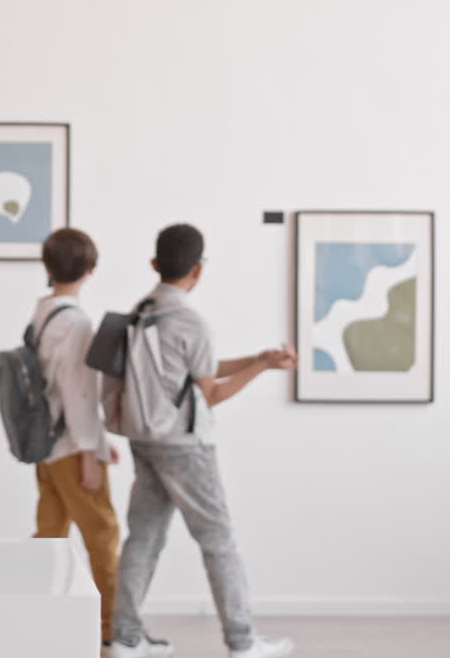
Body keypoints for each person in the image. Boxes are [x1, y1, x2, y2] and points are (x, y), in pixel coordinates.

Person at [108, 224, 296, 658]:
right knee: (218, 540)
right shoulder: (191, 322)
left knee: (143, 538)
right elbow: (211, 392)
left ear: (155, 264)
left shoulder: (139, 313)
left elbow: (195, 370)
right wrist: (263, 369)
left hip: (144, 440)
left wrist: (258, 358)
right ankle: (242, 643)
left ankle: (125, 638)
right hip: (185, 447)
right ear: (199, 269)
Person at [30, 227, 122, 650]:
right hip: (72, 447)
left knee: (49, 534)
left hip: (47, 445)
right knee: (103, 534)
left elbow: (53, 387)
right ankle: (110, 626)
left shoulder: (42, 314)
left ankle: (41, 613)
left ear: (48, 267)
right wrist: (91, 449)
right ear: (90, 269)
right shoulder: (77, 322)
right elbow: (79, 392)